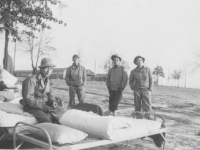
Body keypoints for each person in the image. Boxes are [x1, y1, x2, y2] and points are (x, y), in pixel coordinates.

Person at [22, 58, 60, 123]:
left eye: (50, 69)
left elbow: (50, 93)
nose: (48, 71)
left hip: (43, 105)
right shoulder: (32, 80)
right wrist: (43, 106)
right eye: (46, 68)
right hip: (31, 106)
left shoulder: (47, 80)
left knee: (56, 118)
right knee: (47, 120)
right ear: (41, 68)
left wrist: (52, 102)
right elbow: (28, 98)